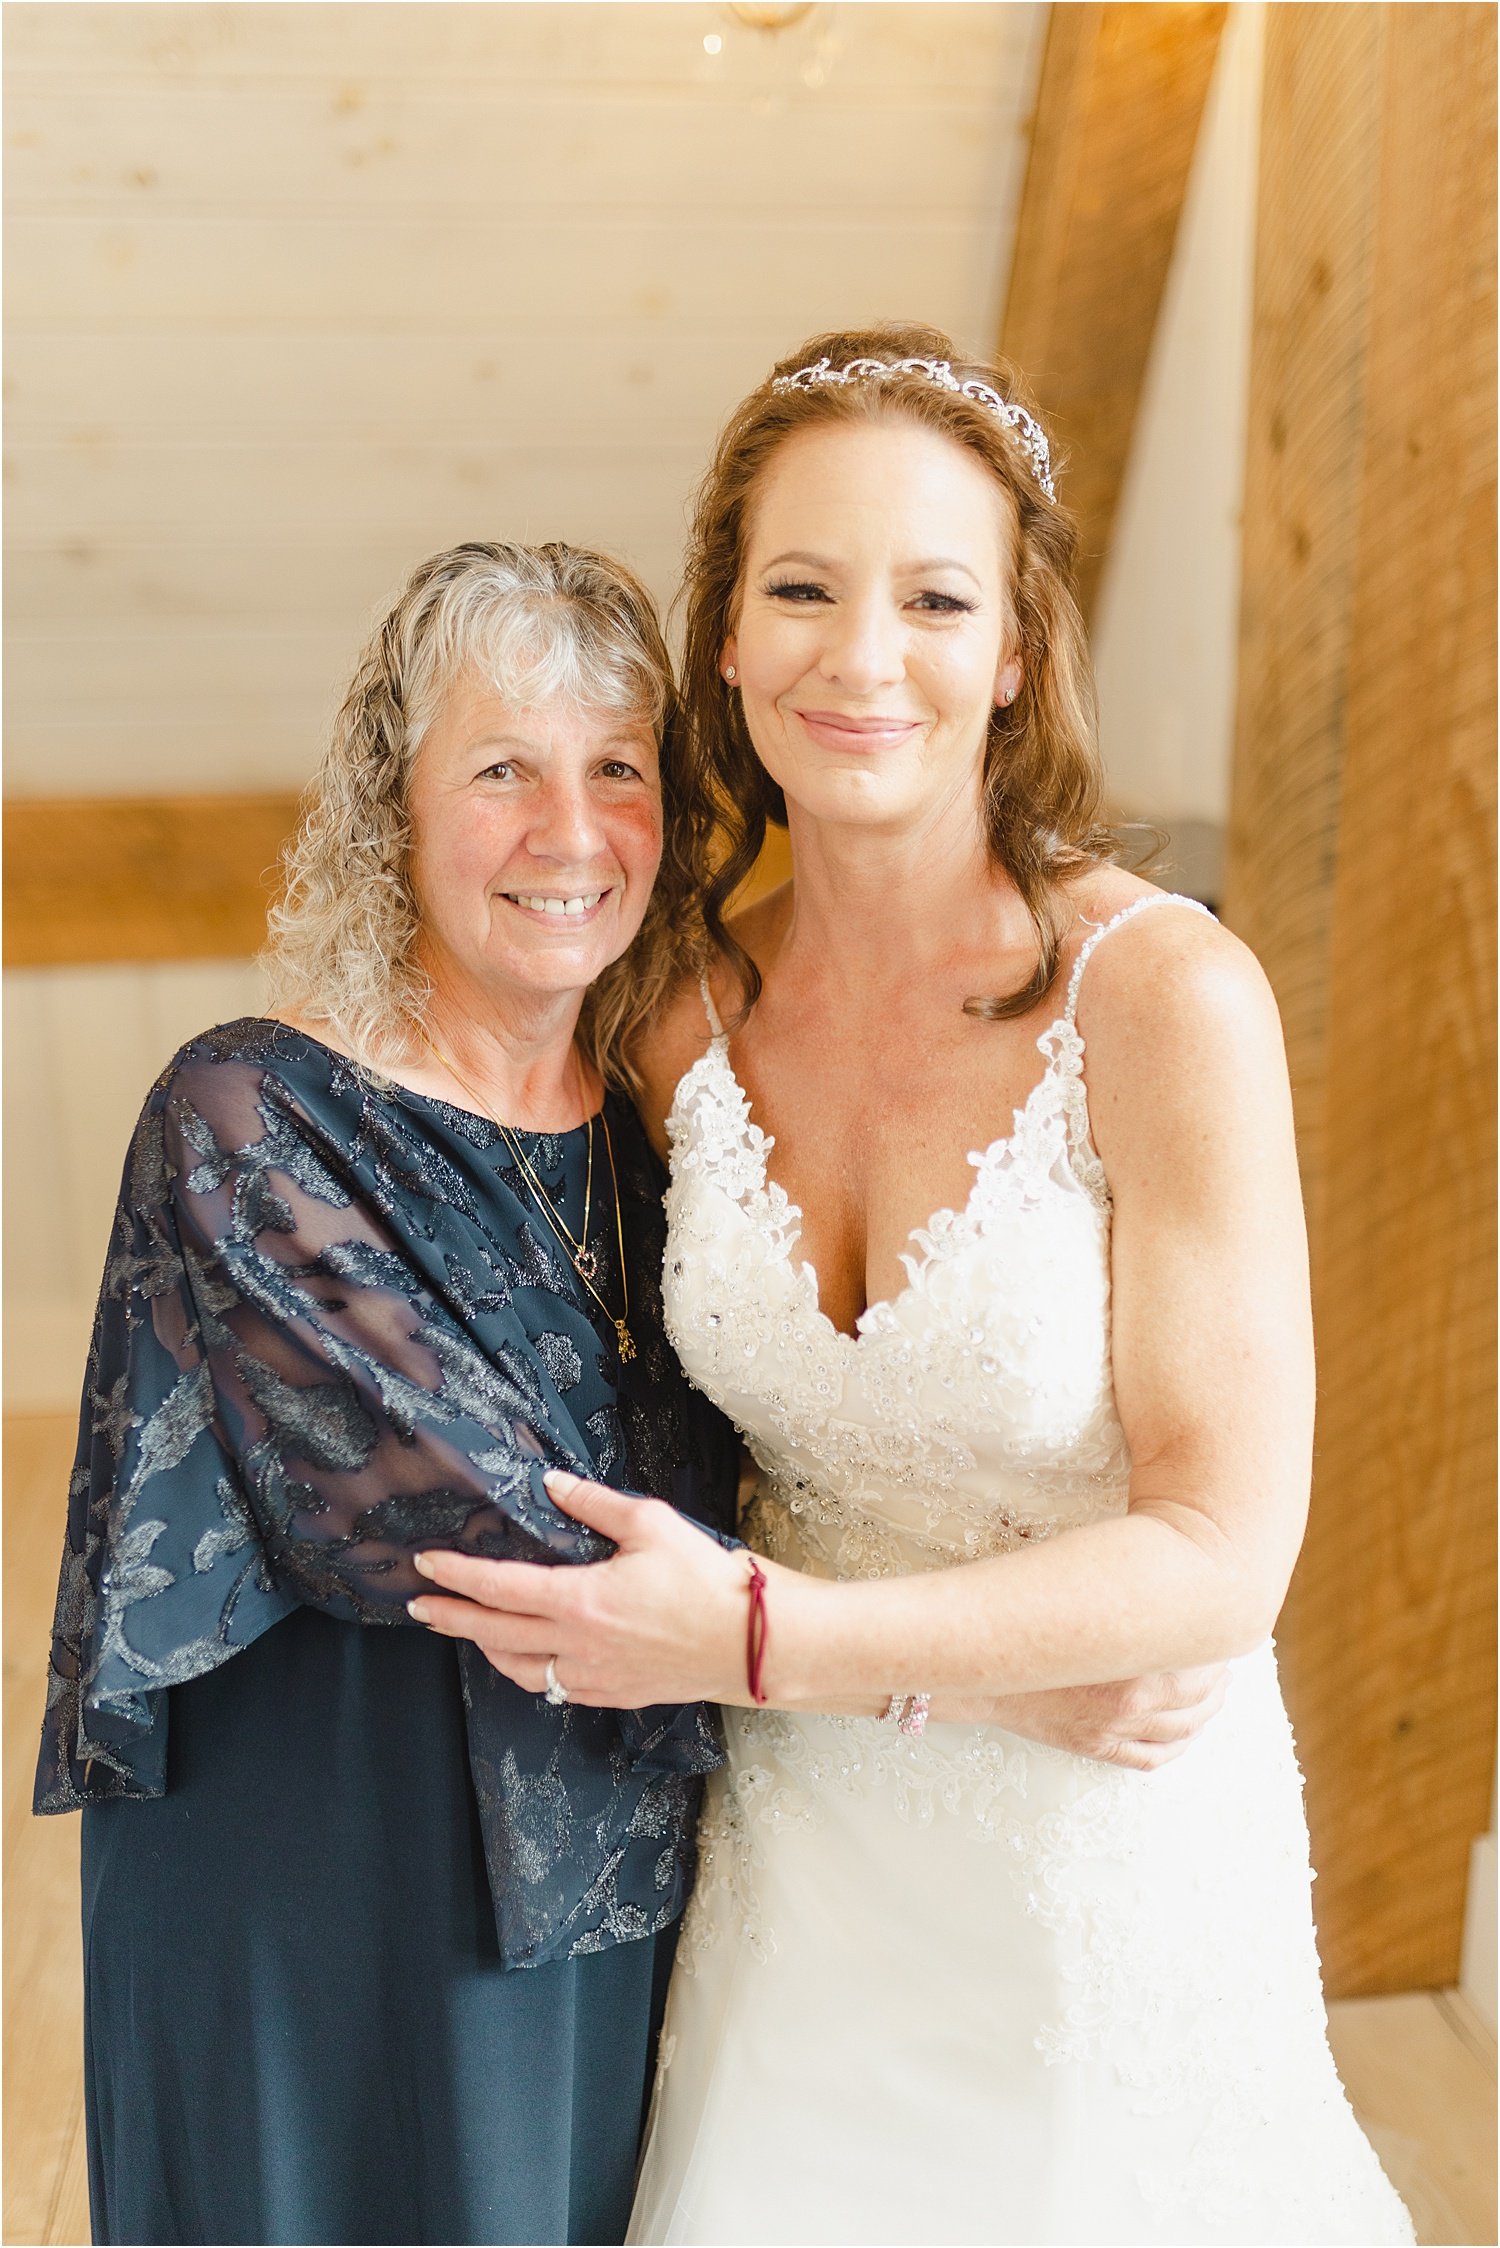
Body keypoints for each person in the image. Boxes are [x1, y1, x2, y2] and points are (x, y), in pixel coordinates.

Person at [409, 332, 1416, 2246]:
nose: (860, 659)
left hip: (1107, 1863)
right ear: (722, 636)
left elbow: (1216, 1553)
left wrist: (772, 1643)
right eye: (800, 589)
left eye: (934, 597)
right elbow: (611, 1424)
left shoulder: (1166, 1000)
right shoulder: (665, 1010)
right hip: (803, 1870)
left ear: (1015, 648)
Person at [33, 540, 742, 2248]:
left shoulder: (680, 1141)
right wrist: (900, 1649)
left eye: (619, 768)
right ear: (394, 810)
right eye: (503, 769)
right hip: (325, 1881)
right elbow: (477, 1531)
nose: (573, 833)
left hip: (618, 1851)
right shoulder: (248, 1115)